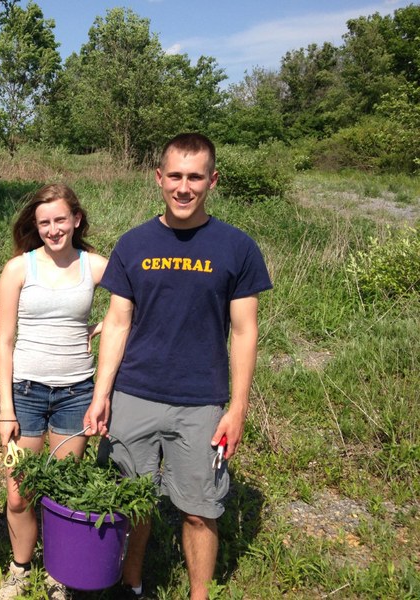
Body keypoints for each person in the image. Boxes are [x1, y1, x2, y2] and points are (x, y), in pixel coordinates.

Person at [84, 133, 272, 599]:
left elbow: (245, 332)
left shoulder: (237, 247)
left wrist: (238, 407)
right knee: (132, 502)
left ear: (212, 180)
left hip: (201, 401)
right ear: (158, 178)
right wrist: (102, 393)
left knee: (198, 509)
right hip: (134, 395)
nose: (183, 187)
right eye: (175, 176)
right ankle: (131, 583)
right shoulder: (133, 243)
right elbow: (117, 322)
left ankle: (199, 594)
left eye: (194, 177)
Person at [0, 184, 108, 600]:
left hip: (77, 391)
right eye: (44, 222)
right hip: (25, 392)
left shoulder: (94, 265)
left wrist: (105, 326)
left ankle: (60, 571)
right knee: (19, 491)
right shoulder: (19, 269)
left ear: (76, 219)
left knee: (63, 489)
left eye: (61, 220)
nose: (53, 229)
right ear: (35, 225)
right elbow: (4, 339)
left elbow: (137, 302)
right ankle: (19, 569)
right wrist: (5, 407)